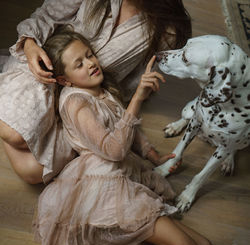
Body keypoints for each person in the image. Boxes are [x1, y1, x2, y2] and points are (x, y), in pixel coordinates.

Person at [33, 28, 212, 245]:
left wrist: (152, 155)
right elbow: (114, 150)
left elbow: (129, 130)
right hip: (105, 181)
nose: (90, 63)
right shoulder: (76, 101)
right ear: (65, 80)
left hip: (125, 172)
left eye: (89, 55)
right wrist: (137, 98)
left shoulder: (101, 91)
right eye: (79, 64)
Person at [0, 0, 192, 184]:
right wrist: (30, 44)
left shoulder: (167, 31)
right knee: (15, 135)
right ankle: (15, 98)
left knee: (33, 171)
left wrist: (110, 110)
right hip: (44, 70)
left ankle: (9, 99)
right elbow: (47, 15)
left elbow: (133, 82)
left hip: (85, 97)